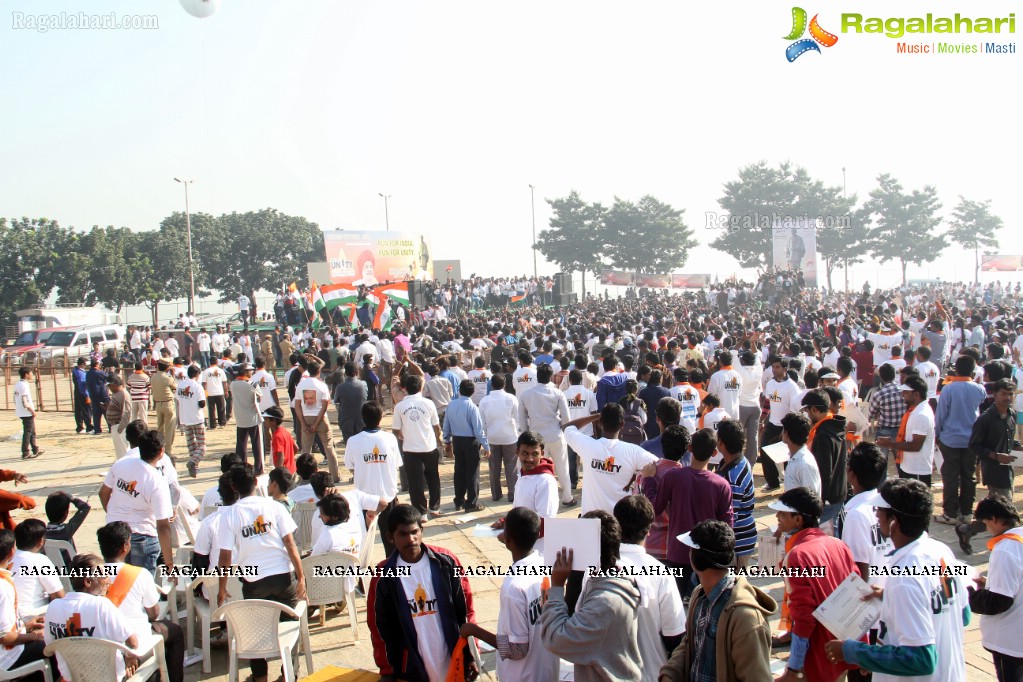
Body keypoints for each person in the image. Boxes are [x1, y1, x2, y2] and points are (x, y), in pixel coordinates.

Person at [825, 478, 968, 682]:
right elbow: (963, 614)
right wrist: (889, 597)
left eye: (879, 511)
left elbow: (921, 659)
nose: (875, 515)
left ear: (894, 522)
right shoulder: (940, 551)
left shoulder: (905, 579)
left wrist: (853, 651)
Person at [216, 465, 307, 682]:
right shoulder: (274, 506)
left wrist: (221, 589)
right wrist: (301, 577)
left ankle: (260, 678)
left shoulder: (230, 515)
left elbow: (225, 558)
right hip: (284, 578)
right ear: (256, 483)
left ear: (233, 487)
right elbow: (290, 543)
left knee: (254, 630)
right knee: (291, 624)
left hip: (254, 582)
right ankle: (289, 674)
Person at [368, 504, 477, 682]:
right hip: (411, 666)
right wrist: (387, 669)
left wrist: (471, 654)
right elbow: (379, 627)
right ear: (390, 537)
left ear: (422, 531)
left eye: (414, 532)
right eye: (402, 534)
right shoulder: (383, 575)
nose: (411, 539)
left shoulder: (446, 562)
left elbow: (465, 610)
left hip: (451, 659)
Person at [658, 520, 776, 682]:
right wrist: (670, 673)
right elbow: (691, 644)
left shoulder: (746, 618)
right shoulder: (699, 596)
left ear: (697, 560)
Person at [769, 487, 860, 682]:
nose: (777, 516)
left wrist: (793, 668)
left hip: (817, 654)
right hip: (842, 648)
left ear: (798, 519)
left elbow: (803, 619)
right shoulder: (838, 544)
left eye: (782, 514)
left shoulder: (797, 555)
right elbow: (857, 596)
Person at [540, 510, 643, 681]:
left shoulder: (605, 602)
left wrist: (557, 587)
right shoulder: (606, 578)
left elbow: (556, 638)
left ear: (586, 551)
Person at [458, 507, 559, 681]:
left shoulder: (514, 587)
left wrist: (474, 630)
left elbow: (517, 649)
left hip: (523, 675)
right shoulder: (546, 564)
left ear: (508, 538)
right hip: (547, 670)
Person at [643, 427, 733, 600]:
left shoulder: (674, 477)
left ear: (690, 448)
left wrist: (649, 479)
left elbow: (654, 509)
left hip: (677, 553)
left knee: (674, 605)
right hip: (709, 559)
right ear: (714, 453)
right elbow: (728, 527)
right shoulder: (721, 485)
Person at [97, 521, 185, 682]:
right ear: (125, 547)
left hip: (102, 639)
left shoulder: (92, 575)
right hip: (135, 640)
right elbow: (154, 613)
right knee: (176, 632)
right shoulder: (140, 574)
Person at [613, 495, 686, 681]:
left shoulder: (595, 570)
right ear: (648, 531)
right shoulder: (660, 573)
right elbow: (675, 634)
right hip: (651, 673)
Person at [44, 554, 139, 682]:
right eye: (104, 576)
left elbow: (50, 646)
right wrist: (130, 657)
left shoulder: (53, 607)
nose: (109, 581)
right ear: (88, 582)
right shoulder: (101, 605)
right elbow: (133, 643)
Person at [956, 378, 1021, 554]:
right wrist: (995, 455)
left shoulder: (1012, 414)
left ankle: (967, 530)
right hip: (993, 470)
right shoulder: (985, 419)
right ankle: (1005, 549)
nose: (1008, 397)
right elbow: (974, 445)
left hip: (1008, 469)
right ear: (995, 395)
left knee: (998, 513)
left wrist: (1017, 447)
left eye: (1010, 394)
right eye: (1004, 394)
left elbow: (1009, 440)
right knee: (1005, 516)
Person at [99, 429, 176, 575]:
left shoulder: (121, 464)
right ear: (161, 452)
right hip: (142, 537)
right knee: (141, 586)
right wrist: (169, 563)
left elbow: (103, 493)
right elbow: (163, 525)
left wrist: (113, 514)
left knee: (115, 583)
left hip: (114, 533)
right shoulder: (157, 480)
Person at [967, 495, 1023, 681]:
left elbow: (999, 601)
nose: (987, 529)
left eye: (986, 523)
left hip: (1010, 639)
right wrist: (990, 583)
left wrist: (970, 594)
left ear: (994, 519)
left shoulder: (1005, 548)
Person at [565, 404, 658, 514]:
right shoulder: (634, 452)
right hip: (620, 521)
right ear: (622, 424)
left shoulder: (587, 446)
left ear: (600, 424)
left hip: (590, 520)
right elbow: (660, 465)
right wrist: (640, 475)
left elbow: (567, 427)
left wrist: (595, 417)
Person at [934, 354, 987, 525]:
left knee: (950, 476)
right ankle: (966, 512)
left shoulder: (949, 389)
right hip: (971, 439)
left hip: (950, 438)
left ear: (956, 369)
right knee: (968, 475)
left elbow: (941, 415)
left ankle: (950, 512)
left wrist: (937, 433)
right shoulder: (978, 389)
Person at [345, 402, 403, 556]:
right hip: (387, 495)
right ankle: (392, 569)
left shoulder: (353, 441)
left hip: (366, 497)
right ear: (381, 417)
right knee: (390, 539)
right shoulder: (390, 439)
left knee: (364, 540)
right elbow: (397, 464)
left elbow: (351, 466)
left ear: (363, 418)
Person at [519, 363, 574, 506]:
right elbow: (566, 419)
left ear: (537, 376)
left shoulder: (526, 394)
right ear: (551, 377)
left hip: (536, 438)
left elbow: (522, 419)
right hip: (555, 435)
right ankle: (567, 497)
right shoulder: (558, 393)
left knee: (538, 470)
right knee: (562, 467)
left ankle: (538, 498)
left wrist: (527, 436)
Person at [0, 528, 51, 681]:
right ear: (11, 552)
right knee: (53, 646)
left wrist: (25, 626)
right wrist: (33, 636)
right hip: (6, 658)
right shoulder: (3, 586)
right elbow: (4, 637)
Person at [392, 375, 444, 517]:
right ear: (420, 387)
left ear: (405, 388)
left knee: (415, 483)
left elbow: (395, 430)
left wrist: (402, 437)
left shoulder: (400, 406)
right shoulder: (428, 404)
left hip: (410, 448)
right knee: (433, 478)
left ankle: (421, 512)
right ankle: (434, 507)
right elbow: (436, 426)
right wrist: (439, 440)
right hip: (429, 446)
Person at [876, 375, 935, 485]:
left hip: (917, 470)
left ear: (916, 394)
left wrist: (891, 444)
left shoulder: (921, 415)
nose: (903, 395)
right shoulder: (916, 410)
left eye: (906, 392)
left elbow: (915, 446)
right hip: (910, 467)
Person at [801, 388, 848, 526]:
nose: (808, 415)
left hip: (828, 498)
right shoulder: (836, 425)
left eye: (808, 411)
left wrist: (818, 499)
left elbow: (823, 471)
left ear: (814, 409)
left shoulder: (822, 435)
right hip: (838, 492)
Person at [443, 379, 491, 512]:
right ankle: (471, 503)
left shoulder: (451, 405)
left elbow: (446, 425)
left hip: (457, 440)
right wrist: (486, 446)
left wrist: (447, 441)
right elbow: (478, 430)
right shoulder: (472, 407)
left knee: (459, 471)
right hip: (470, 442)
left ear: (459, 390)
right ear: (473, 392)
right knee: (472, 473)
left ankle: (459, 501)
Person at [714, 419, 756, 566]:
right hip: (738, 538)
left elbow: (731, 516)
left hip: (738, 543)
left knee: (735, 585)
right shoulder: (735, 461)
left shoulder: (733, 478)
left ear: (721, 444)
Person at [294, 358, 340, 482]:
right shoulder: (322, 385)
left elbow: (297, 406)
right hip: (321, 418)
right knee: (329, 448)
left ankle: (304, 477)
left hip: (305, 416)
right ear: (318, 371)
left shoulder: (301, 385)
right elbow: (325, 406)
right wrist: (316, 423)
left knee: (306, 450)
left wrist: (303, 423)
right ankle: (335, 476)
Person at [479, 373, 521, 502]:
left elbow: (482, 422)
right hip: (510, 437)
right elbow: (518, 419)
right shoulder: (511, 398)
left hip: (492, 437)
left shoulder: (484, 401)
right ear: (504, 384)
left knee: (494, 467)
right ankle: (512, 494)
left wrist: (484, 438)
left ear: (492, 385)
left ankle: (496, 494)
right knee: (511, 467)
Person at [761, 357, 801, 492]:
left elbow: (794, 409)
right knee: (765, 449)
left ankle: (790, 485)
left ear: (784, 369)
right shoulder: (771, 384)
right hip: (772, 423)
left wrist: (786, 428)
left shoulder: (792, 386)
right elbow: (767, 402)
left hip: (787, 426)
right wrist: (763, 417)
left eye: (777, 367)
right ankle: (772, 482)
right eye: (773, 366)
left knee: (787, 456)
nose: (774, 369)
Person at [11, 519, 65, 615]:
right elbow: (58, 596)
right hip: (33, 615)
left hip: (10, 615)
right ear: (41, 541)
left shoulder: (8, 557)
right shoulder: (40, 560)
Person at [231, 363, 265, 475]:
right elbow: (260, 397)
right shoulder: (252, 385)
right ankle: (259, 468)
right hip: (252, 417)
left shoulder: (233, 384)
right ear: (245, 372)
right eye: (250, 370)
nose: (252, 372)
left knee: (241, 445)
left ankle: (241, 467)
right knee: (256, 445)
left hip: (240, 418)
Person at [176, 365, 207, 478]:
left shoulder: (180, 386)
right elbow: (202, 403)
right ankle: (193, 463)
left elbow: (178, 400)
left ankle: (194, 469)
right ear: (197, 374)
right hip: (197, 418)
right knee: (202, 446)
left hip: (185, 418)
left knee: (191, 445)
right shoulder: (197, 387)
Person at [780, 412, 821, 495]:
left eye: (783, 429)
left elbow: (811, 501)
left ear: (786, 434)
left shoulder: (804, 465)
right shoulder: (795, 457)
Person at [44, 491, 91, 558]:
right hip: (69, 566)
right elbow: (85, 507)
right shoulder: (66, 530)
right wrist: (69, 496)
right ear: (66, 513)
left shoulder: (41, 534)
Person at [333, 362, 369, 444]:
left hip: (346, 421)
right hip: (361, 420)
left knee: (349, 445)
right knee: (362, 445)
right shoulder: (363, 384)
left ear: (345, 373)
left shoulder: (340, 387)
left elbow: (336, 400)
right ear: (357, 372)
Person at [150, 360, 178, 458]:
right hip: (168, 404)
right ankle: (168, 452)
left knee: (160, 428)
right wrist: (173, 375)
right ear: (167, 368)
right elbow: (175, 386)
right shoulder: (167, 377)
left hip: (158, 404)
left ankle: (159, 450)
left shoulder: (153, 377)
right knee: (169, 429)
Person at [13, 367, 42, 459]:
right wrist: (31, 410)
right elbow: (24, 400)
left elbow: (15, 398)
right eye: (30, 373)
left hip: (21, 411)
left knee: (32, 431)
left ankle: (35, 449)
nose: (32, 375)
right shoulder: (24, 385)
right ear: (26, 374)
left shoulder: (18, 384)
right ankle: (25, 452)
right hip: (26, 412)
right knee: (28, 432)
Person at [105, 374, 132, 460]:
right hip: (115, 426)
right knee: (120, 451)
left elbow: (126, 413)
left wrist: (120, 429)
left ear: (114, 385)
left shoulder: (123, 394)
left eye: (110, 386)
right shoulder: (117, 394)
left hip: (120, 426)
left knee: (123, 452)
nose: (109, 388)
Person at [263, 406, 297, 474]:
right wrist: (289, 458)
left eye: (266, 419)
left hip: (284, 473)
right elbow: (296, 448)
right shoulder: (285, 432)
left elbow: (280, 456)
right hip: (291, 470)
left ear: (273, 421)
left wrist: (278, 473)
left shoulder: (277, 436)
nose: (265, 421)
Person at [200, 359, 228, 430]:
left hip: (210, 392)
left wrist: (205, 391)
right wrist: (226, 391)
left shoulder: (206, 371)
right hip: (219, 392)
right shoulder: (221, 371)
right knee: (221, 408)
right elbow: (225, 382)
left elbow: (204, 383)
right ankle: (222, 423)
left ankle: (212, 425)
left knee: (211, 409)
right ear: (217, 362)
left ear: (210, 362)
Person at [72, 357, 92, 434]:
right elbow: (82, 384)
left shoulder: (76, 371)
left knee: (78, 410)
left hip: (78, 392)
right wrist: (87, 395)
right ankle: (89, 427)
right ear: (82, 364)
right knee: (86, 410)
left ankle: (80, 427)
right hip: (83, 393)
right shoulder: (80, 373)